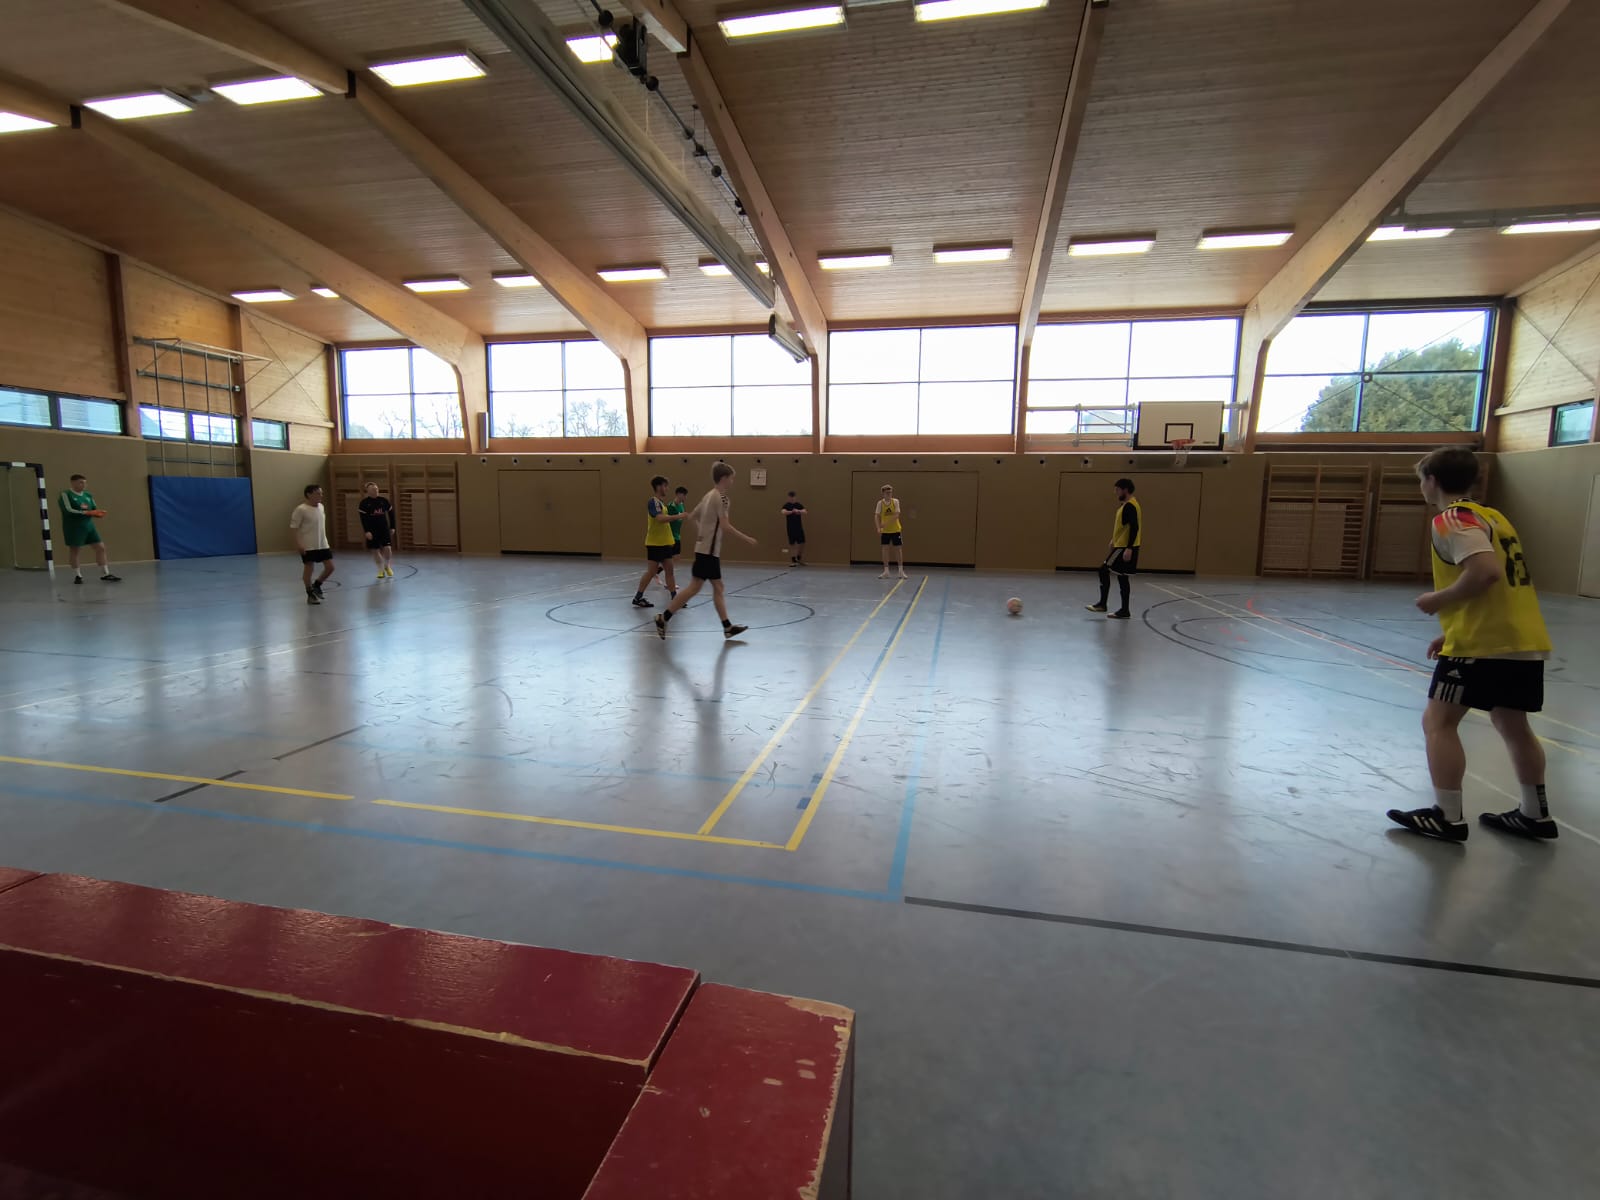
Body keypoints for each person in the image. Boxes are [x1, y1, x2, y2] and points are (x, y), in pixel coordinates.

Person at [1387, 448, 1558, 843]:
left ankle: (1447, 816)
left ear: (1432, 481)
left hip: (1482, 645)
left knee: (1438, 722)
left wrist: (1439, 600)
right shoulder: (1494, 516)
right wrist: (1452, 630)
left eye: (1421, 480)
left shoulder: (1453, 519)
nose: (1421, 487)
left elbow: (1485, 573)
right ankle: (1535, 813)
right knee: (1512, 723)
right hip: (1522, 639)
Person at [655, 463, 756, 640]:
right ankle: (664, 617)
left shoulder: (708, 495)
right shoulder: (722, 498)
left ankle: (726, 626)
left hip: (703, 550)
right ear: (724, 478)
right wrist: (746, 538)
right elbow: (725, 525)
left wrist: (702, 535)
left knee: (712, 587)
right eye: (731, 478)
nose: (732, 481)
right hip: (709, 552)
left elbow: (692, 516)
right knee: (698, 588)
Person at [1086, 478, 1140, 620]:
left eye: (1117, 490)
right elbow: (1125, 528)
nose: (1115, 492)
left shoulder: (1130, 506)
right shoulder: (1127, 505)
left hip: (1124, 547)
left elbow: (1134, 527)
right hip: (1121, 545)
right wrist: (1113, 540)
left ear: (1125, 490)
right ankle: (1124, 610)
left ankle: (1102, 604)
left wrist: (1129, 548)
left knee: (1104, 570)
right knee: (1122, 577)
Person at [58, 473, 120, 584]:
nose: (83, 485)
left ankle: (105, 573)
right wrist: (86, 513)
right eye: (81, 482)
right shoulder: (66, 494)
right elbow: (68, 510)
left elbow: (94, 509)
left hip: (89, 526)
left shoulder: (88, 495)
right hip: (74, 527)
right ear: (73, 483)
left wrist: (98, 513)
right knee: (75, 550)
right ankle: (78, 575)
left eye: (85, 483)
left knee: (100, 547)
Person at [633, 475, 679, 607]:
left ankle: (675, 598)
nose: (667, 489)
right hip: (655, 544)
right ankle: (638, 597)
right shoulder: (653, 502)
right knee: (651, 572)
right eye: (665, 486)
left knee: (669, 571)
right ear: (659, 487)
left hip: (665, 543)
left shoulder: (662, 504)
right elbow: (660, 518)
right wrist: (678, 516)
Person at [290, 483, 335, 605]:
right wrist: (299, 544)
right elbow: (294, 528)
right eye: (317, 493)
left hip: (322, 544)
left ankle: (317, 585)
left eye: (321, 493)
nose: (321, 495)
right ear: (309, 495)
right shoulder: (301, 509)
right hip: (308, 545)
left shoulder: (321, 507)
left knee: (330, 567)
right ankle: (310, 594)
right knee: (309, 569)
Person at [358, 482, 396, 579]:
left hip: (384, 529)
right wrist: (367, 531)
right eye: (373, 489)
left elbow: (391, 515)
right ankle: (380, 570)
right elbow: (363, 519)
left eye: (376, 489)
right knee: (375, 550)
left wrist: (392, 527)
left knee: (388, 548)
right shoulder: (364, 503)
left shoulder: (384, 501)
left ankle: (387, 566)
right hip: (372, 530)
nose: (376, 491)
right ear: (368, 491)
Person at [874, 484, 907, 580]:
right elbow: (876, 515)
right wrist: (878, 528)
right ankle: (886, 571)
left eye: (890, 492)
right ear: (883, 493)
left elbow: (896, 515)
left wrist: (885, 523)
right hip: (885, 531)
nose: (889, 494)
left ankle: (900, 571)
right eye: (887, 493)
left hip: (896, 529)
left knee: (898, 549)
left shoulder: (895, 501)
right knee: (885, 549)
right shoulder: (880, 503)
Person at [781, 491, 808, 566]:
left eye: (793, 497)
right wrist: (791, 512)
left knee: (802, 542)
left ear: (795, 497)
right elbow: (783, 512)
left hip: (799, 527)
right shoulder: (786, 505)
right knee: (792, 543)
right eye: (790, 497)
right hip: (790, 527)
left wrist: (798, 511)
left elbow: (805, 511)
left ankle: (799, 558)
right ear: (788, 497)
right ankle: (793, 560)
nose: (792, 498)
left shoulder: (798, 505)